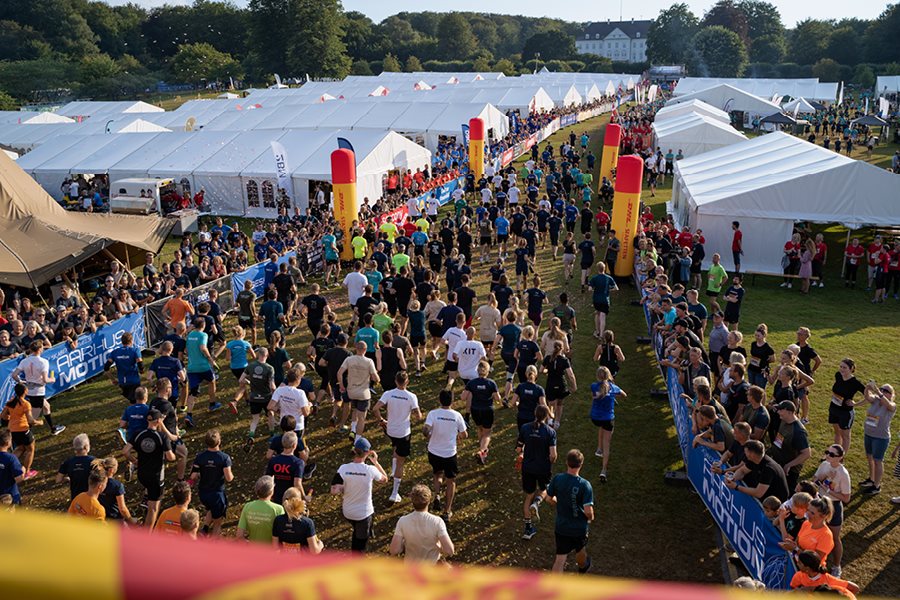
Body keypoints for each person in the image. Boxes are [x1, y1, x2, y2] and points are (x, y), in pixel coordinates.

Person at [330, 437, 388, 552]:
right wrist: (376, 462)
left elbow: (333, 490)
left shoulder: (343, 468)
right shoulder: (371, 470)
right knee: (359, 547)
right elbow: (385, 479)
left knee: (358, 529)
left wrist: (340, 488)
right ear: (367, 453)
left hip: (347, 512)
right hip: (364, 515)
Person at [373, 372, 422, 503]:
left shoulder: (388, 393)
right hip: (403, 432)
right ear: (407, 382)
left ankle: (393, 470)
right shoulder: (411, 396)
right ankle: (395, 493)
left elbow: (375, 408)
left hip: (390, 430)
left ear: (396, 381)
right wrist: (414, 413)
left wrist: (381, 420)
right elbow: (419, 416)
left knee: (395, 446)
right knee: (401, 460)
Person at [124, 409, 176, 527]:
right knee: (154, 508)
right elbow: (170, 457)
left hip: (142, 474)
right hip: (156, 477)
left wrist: (134, 461)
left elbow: (125, 451)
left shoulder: (138, 433)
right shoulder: (161, 436)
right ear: (158, 421)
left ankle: (146, 506)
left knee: (150, 495)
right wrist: (173, 454)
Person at [545, 449, 594, 573]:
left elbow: (548, 498)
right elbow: (588, 510)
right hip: (579, 528)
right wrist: (590, 518)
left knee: (560, 559)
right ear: (581, 464)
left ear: (567, 462)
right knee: (580, 550)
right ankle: (583, 567)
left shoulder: (557, 479)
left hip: (561, 527)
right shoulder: (585, 485)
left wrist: (558, 503)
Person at [424, 390, 468, 522]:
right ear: (452, 401)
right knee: (451, 481)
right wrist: (458, 436)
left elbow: (426, 430)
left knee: (437, 474)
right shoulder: (457, 416)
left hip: (434, 452)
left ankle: (437, 495)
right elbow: (465, 434)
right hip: (449, 453)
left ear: (439, 400)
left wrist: (429, 436)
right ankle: (447, 511)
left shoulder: (433, 414)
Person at [517, 404, 557, 540]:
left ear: (535, 414)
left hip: (527, 467)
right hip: (543, 468)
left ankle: (528, 530)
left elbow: (518, 448)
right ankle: (537, 502)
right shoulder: (550, 432)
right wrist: (551, 461)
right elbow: (553, 455)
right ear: (546, 416)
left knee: (528, 495)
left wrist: (522, 454)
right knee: (544, 489)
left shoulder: (525, 428)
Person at [390, 483, 454, 563]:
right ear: (429, 501)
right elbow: (449, 550)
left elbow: (394, 550)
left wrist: (403, 544)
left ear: (412, 500)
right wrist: (440, 547)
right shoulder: (437, 521)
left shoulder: (403, 521)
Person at [814, 444, 851, 576]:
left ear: (840, 457)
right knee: (815, 532)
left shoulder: (843, 474)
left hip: (834, 506)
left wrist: (829, 491)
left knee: (834, 538)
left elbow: (846, 498)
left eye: (832, 454)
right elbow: (815, 480)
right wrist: (824, 477)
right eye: (827, 452)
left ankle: (836, 566)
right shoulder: (824, 465)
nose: (828, 455)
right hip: (820, 502)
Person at [12, 341, 64, 435]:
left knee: (47, 407)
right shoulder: (43, 362)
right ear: (40, 349)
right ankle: (22, 436)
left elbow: (14, 375)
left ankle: (53, 429)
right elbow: (45, 379)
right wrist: (52, 379)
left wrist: (20, 381)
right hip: (38, 391)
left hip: (29, 390)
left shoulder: (25, 361)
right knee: (32, 419)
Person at [190, 429, 234, 536]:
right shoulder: (224, 458)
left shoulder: (200, 457)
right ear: (219, 442)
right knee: (217, 523)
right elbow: (229, 478)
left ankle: (204, 529)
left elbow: (193, 476)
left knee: (210, 508)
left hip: (203, 493)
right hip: (217, 494)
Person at [590, 366, 626, 483]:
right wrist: (614, 395)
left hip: (595, 418)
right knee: (608, 443)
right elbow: (624, 395)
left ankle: (598, 449)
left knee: (602, 426)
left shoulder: (594, 386)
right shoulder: (613, 387)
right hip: (608, 418)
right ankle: (603, 470)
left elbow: (595, 395)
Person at [338, 341, 380, 442]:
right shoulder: (369, 361)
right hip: (363, 393)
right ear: (365, 350)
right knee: (361, 418)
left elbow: (339, 373)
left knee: (355, 409)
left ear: (356, 348)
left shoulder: (349, 359)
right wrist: (377, 378)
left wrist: (342, 385)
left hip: (351, 391)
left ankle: (353, 429)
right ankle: (357, 440)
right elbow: (375, 378)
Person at [725, 440, 790, 503]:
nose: (744, 453)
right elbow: (742, 471)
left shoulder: (768, 469)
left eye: (746, 451)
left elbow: (758, 493)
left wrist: (736, 487)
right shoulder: (755, 460)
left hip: (776, 504)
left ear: (752, 454)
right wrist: (733, 478)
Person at [462, 361, 501, 465]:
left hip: (475, 410)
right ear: (488, 371)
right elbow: (498, 399)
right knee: (487, 432)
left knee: (480, 428)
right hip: (487, 410)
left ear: (477, 371)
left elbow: (463, 397)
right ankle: (482, 451)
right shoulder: (491, 383)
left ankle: (481, 449)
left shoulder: (471, 383)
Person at [184, 318, 221, 428]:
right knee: (212, 380)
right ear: (203, 325)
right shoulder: (203, 335)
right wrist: (211, 359)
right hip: (203, 366)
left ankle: (189, 415)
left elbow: (186, 350)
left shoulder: (190, 335)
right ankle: (212, 404)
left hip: (191, 367)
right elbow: (203, 348)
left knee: (193, 391)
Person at [860, 382, 895, 496]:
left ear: (891, 395)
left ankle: (877, 485)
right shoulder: (875, 400)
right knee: (869, 457)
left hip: (880, 437)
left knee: (877, 460)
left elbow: (888, 404)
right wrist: (867, 388)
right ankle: (871, 479)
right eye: (882, 389)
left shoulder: (891, 405)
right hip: (869, 434)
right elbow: (867, 397)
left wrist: (879, 393)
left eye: (886, 391)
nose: (883, 391)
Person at [239, 347, 276, 447]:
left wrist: (249, 382)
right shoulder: (269, 368)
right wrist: (276, 394)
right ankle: (272, 434)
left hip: (254, 397)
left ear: (258, 354)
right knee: (270, 414)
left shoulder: (250, 366)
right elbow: (272, 386)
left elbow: (241, 380)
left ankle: (251, 435)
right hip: (266, 397)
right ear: (267, 355)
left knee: (255, 419)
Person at [1, 383, 37, 479]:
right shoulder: (25, 404)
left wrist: (11, 418)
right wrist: (39, 422)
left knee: (20, 448)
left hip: (12, 430)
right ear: (25, 391)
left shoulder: (10, 402)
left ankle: (7, 466)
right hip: (23, 429)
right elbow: (30, 420)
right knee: (30, 449)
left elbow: (3, 415)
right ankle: (27, 472)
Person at [830, 358, 866, 453]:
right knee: (837, 432)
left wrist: (856, 404)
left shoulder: (855, 383)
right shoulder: (838, 375)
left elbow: (869, 396)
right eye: (841, 367)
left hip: (845, 412)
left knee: (845, 436)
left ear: (851, 369)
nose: (841, 369)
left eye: (844, 367)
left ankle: (841, 458)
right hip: (834, 408)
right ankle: (835, 453)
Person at [272, 487, 323, 553]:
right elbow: (314, 551)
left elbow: (275, 548)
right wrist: (320, 545)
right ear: (299, 502)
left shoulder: (278, 520)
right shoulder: (307, 523)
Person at [236, 476, 285, 543]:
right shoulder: (278, 509)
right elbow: (283, 534)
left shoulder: (248, 506)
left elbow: (239, 535)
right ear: (271, 491)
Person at [790, 550, 860, 595]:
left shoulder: (829, 580)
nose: (797, 563)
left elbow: (855, 588)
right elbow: (793, 588)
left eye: (799, 563)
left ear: (807, 568)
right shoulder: (798, 575)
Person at [543, 340, 577, 429]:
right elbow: (570, 375)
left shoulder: (548, 358)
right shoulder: (564, 360)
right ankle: (557, 422)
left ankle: (550, 420)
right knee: (560, 403)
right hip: (561, 384)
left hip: (551, 383)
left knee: (551, 403)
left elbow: (541, 370)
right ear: (561, 349)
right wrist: (574, 385)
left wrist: (547, 370)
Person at [104, 332, 143, 403]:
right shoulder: (135, 351)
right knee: (137, 401)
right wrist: (141, 371)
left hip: (122, 382)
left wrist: (112, 379)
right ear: (131, 341)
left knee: (132, 401)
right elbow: (140, 364)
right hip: (134, 381)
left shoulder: (115, 352)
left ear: (122, 341)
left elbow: (106, 367)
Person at [57, 433, 94, 501]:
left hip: (76, 497)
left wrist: (67, 479)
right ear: (86, 447)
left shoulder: (68, 462)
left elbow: (58, 480)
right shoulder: (94, 461)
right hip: (91, 496)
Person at [0, 429, 24, 505]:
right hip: (10, 497)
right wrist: (23, 470)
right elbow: (19, 479)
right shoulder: (11, 458)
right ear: (8, 443)